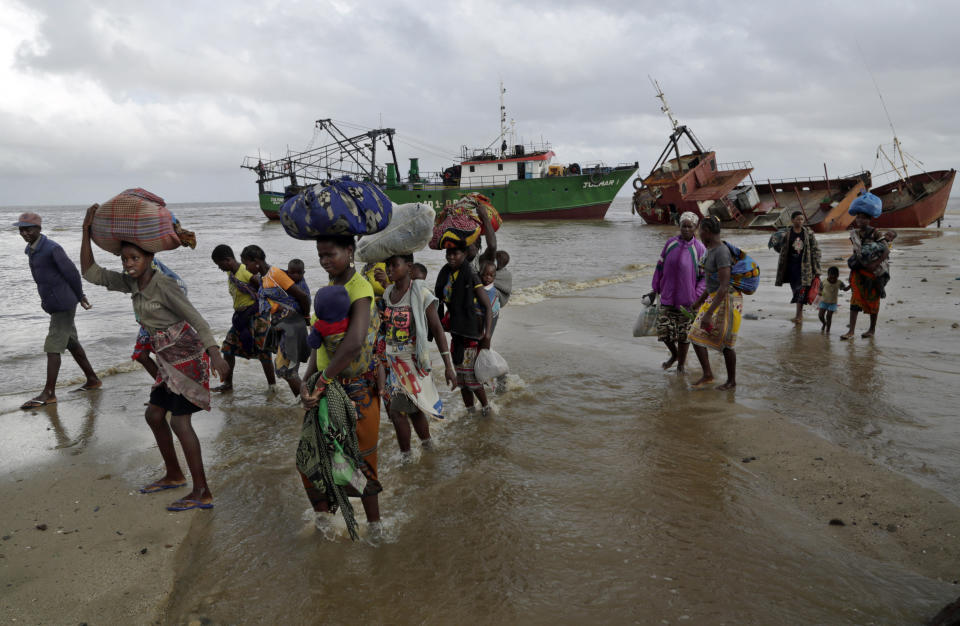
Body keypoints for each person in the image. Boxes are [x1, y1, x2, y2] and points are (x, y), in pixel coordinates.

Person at [79, 204, 229, 511]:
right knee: (154, 415)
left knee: (181, 422)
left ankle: (202, 491)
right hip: (166, 359)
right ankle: (174, 475)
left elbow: (197, 319)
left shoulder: (165, 284)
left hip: (187, 358)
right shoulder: (132, 282)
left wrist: (216, 353)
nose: (129, 264)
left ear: (150, 258)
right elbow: (90, 273)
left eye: (135, 258)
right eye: (125, 259)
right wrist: (85, 232)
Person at [300, 234, 383, 536]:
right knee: (312, 459)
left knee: (360, 463)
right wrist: (306, 381)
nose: (324, 260)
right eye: (320, 255)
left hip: (355, 390)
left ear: (349, 251)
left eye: (330, 254)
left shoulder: (359, 289)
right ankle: (325, 522)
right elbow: (319, 339)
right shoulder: (330, 287)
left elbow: (353, 343)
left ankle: (375, 529)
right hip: (324, 386)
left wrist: (322, 381)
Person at [16, 211, 101, 409]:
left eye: (28, 229)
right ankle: (93, 379)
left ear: (39, 229)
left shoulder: (52, 248)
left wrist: (81, 296)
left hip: (63, 303)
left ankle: (49, 393)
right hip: (53, 303)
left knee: (53, 345)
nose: (24, 233)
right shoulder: (31, 250)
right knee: (71, 342)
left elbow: (71, 273)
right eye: (21, 229)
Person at [377, 254, 457, 457]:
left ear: (409, 266)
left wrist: (449, 366)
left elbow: (437, 329)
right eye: (387, 265)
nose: (389, 269)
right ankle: (428, 446)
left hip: (412, 362)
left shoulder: (422, 292)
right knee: (413, 410)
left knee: (396, 412)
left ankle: (406, 457)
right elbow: (385, 328)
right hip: (392, 362)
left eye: (394, 265)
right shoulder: (387, 293)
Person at [240, 245, 310, 397]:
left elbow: (302, 296)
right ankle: (304, 403)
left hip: (292, 325)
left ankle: (309, 404)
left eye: (246, 264)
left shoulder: (275, 274)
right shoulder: (265, 277)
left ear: (256, 261)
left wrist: (306, 317)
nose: (246, 268)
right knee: (287, 370)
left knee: (286, 370)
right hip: (283, 326)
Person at [435, 244, 494, 415]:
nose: (451, 257)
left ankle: (486, 408)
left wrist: (487, 335)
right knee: (461, 379)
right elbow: (441, 301)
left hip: (470, 335)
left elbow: (488, 307)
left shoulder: (472, 275)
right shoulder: (445, 274)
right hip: (456, 334)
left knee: (472, 379)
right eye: (448, 253)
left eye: (456, 253)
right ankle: (470, 411)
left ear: (465, 253)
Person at [210, 244, 276, 392]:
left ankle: (272, 387)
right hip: (241, 319)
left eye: (220, 264)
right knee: (228, 348)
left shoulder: (245, 271)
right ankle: (228, 384)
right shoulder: (231, 273)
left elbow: (263, 289)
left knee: (264, 353)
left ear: (228, 260)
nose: (219, 268)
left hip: (257, 316)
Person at [649, 211, 706, 374]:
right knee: (663, 331)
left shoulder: (700, 249)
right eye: (684, 226)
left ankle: (680, 365)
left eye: (690, 226)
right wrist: (655, 287)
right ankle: (674, 355)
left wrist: (696, 296)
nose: (686, 229)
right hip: (667, 295)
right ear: (679, 226)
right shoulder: (670, 243)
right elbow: (659, 266)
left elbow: (704, 278)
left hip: (688, 299)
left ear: (695, 227)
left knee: (683, 335)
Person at [688, 216, 740, 390]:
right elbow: (712, 283)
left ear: (707, 231)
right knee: (695, 335)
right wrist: (698, 303)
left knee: (726, 343)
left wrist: (709, 313)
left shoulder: (721, 251)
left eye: (700, 230)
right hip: (714, 297)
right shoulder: (710, 250)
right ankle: (708, 374)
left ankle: (731, 381)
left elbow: (724, 286)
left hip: (726, 300)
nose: (699, 233)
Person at [841, 211, 897, 340]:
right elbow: (857, 251)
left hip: (873, 272)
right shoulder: (854, 233)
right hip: (858, 271)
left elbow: (886, 250)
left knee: (873, 300)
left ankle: (872, 329)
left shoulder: (875, 233)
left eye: (863, 219)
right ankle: (851, 331)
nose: (860, 221)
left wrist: (875, 263)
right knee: (855, 299)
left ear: (869, 220)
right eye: (858, 218)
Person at [132, 258, 188, 381]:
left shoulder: (147, 264)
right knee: (141, 355)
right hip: (149, 318)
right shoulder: (132, 263)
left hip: (161, 317)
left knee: (166, 355)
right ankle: (165, 385)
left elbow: (179, 289)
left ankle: (171, 387)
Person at [774, 211, 821, 324]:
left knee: (800, 290)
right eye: (798, 219)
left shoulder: (808, 233)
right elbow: (779, 248)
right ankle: (799, 314)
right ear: (792, 220)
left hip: (805, 267)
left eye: (802, 219)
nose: (800, 221)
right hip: (790, 266)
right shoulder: (786, 233)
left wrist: (817, 269)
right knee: (795, 290)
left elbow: (816, 250)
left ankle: (799, 316)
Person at [818, 266, 849, 332]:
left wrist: (851, 285)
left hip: (833, 303)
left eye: (834, 277)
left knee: (829, 316)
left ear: (837, 276)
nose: (832, 279)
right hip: (824, 302)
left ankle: (828, 331)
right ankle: (824, 323)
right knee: (820, 315)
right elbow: (820, 288)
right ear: (828, 275)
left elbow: (845, 289)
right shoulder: (824, 281)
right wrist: (820, 292)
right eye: (831, 277)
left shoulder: (839, 282)